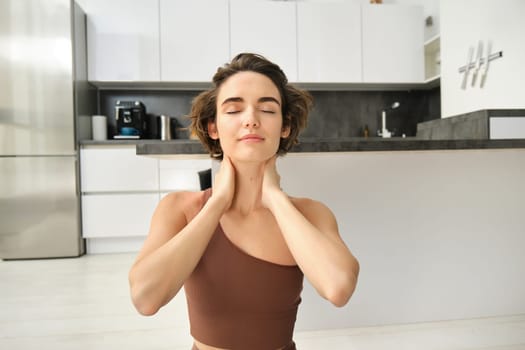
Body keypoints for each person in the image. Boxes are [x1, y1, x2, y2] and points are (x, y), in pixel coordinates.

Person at [128, 53, 360, 350]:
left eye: (267, 109)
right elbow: (145, 299)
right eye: (234, 110)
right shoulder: (180, 209)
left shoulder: (309, 213)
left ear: (285, 127)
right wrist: (217, 203)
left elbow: (339, 288)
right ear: (213, 128)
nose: (251, 120)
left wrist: (275, 198)